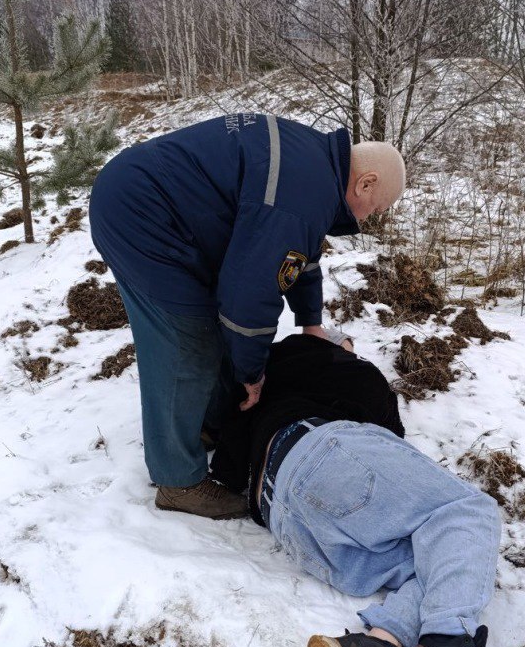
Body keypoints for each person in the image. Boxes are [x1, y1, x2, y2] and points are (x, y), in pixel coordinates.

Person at [211, 333, 525, 647]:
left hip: (285, 520)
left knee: (435, 569)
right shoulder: (346, 368)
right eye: (345, 341)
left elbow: (225, 468)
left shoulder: (254, 381)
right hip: (322, 449)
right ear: (335, 346)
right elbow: (390, 441)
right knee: (466, 512)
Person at [89, 114, 406, 519]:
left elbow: (299, 256)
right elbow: (249, 298)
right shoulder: (302, 195)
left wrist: (311, 322)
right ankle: (178, 482)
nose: (363, 220)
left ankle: (203, 423)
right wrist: (250, 374)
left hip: (159, 204)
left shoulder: (315, 164)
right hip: (142, 215)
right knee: (188, 341)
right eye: (373, 210)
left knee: (209, 333)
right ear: (366, 183)